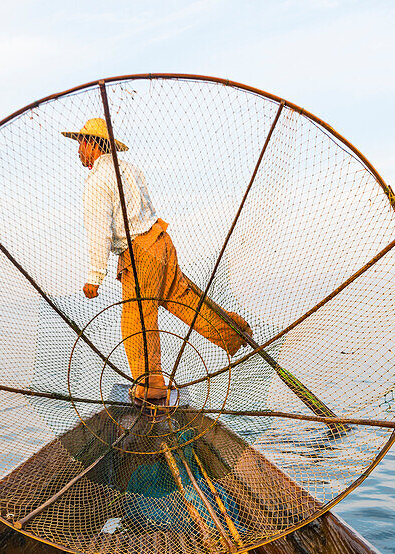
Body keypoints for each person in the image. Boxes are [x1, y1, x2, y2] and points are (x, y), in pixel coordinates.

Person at [62, 118, 253, 404]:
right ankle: (236, 333)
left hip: (140, 252)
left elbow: (98, 229)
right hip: (162, 242)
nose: (78, 151)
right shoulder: (129, 169)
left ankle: (149, 387)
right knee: (185, 300)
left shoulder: (97, 181)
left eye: (80, 144)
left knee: (136, 320)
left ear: (90, 144)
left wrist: (95, 275)